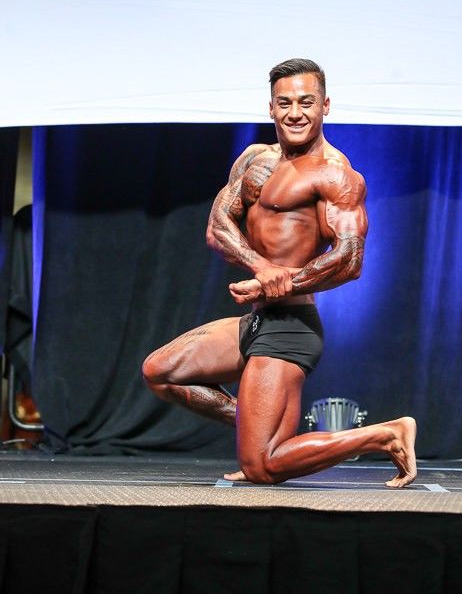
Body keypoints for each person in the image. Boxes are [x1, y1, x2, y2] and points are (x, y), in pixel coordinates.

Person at [142, 58, 416, 488]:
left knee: (261, 468)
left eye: (307, 102)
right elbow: (217, 228)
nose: (295, 113)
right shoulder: (255, 159)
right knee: (159, 372)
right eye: (284, 103)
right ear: (270, 108)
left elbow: (350, 260)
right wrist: (261, 268)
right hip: (257, 321)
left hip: (289, 328)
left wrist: (281, 281)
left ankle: (384, 434)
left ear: (325, 106)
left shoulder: (336, 175)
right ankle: (256, 428)